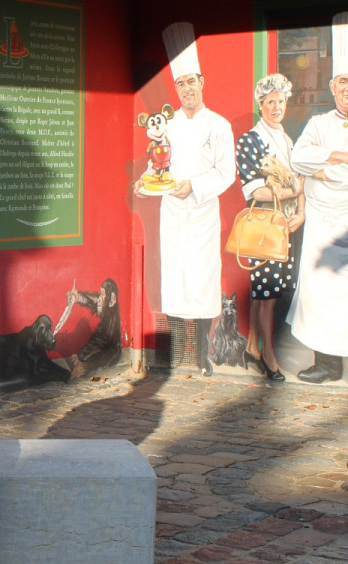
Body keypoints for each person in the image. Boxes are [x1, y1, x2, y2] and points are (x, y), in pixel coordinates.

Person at [134, 22, 235, 377]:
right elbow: (157, 163)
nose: (187, 89)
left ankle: (202, 354)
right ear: (175, 88)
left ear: (202, 83)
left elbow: (227, 173)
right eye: (180, 83)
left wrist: (193, 186)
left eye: (192, 81)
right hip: (172, 213)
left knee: (204, 279)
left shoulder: (219, 125)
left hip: (203, 212)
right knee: (174, 279)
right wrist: (144, 183)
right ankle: (178, 352)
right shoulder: (168, 123)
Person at [289, 11, 348, 384]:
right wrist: (332, 159)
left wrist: (326, 170)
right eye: (342, 82)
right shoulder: (320, 123)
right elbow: (298, 157)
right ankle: (327, 365)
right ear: (331, 87)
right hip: (319, 230)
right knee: (317, 297)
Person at [234, 73, 305, 382]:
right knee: (266, 292)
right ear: (259, 104)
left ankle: (252, 346)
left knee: (270, 289)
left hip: (285, 225)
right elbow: (256, 191)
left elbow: (301, 181)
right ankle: (268, 356)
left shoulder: (287, 139)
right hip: (264, 225)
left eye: (281, 101)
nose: (277, 107)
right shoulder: (250, 139)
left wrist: (300, 212)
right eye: (270, 102)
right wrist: (293, 192)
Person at [66, 279, 122, 379]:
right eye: (101, 294)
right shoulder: (108, 308)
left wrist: (82, 356)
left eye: (103, 294)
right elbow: (94, 300)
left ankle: (83, 368)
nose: (100, 299)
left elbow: (99, 340)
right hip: (103, 348)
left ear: (112, 300)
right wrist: (78, 296)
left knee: (104, 355)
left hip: (109, 352)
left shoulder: (110, 321)